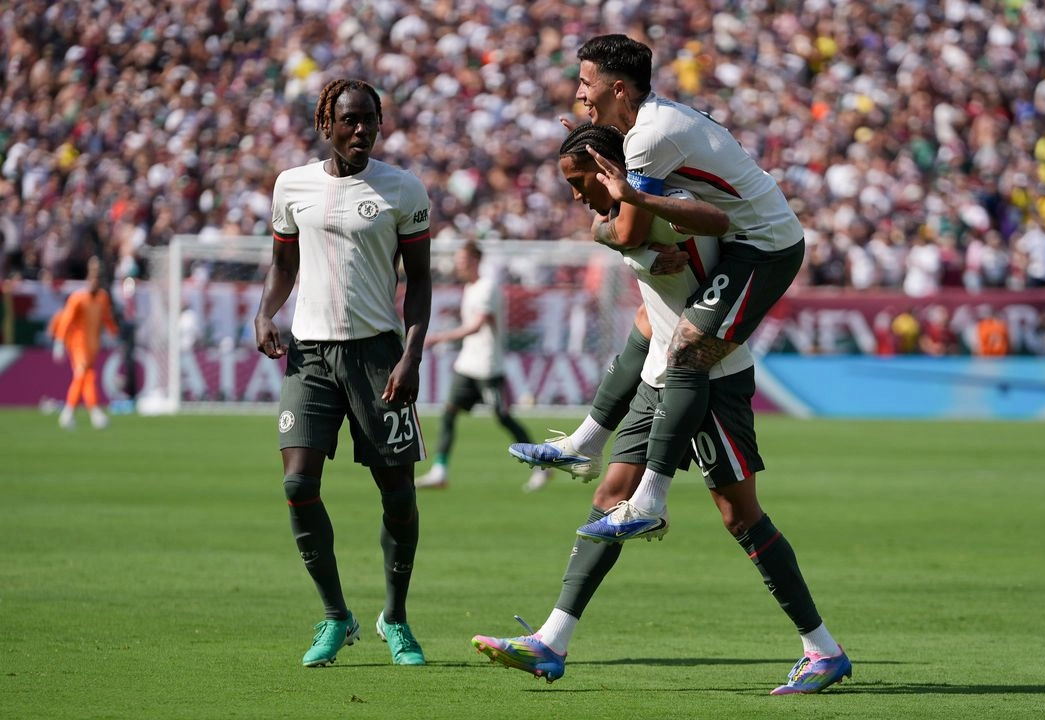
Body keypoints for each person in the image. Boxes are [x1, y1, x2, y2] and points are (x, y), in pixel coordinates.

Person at [475, 123, 850, 696]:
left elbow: (712, 223)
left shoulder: (664, 206)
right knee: (608, 499)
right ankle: (552, 640)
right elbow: (647, 314)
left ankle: (822, 649)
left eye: (581, 183)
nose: (577, 197)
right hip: (663, 376)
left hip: (711, 377)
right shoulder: (628, 221)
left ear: (609, 170)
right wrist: (620, 238)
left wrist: (631, 228)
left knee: (740, 515)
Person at [516, 35, 807, 546]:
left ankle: (648, 499)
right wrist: (592, 150)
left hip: (765, 245)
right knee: (653, 323)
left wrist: (600, 226)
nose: (580, 93)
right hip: (738, 239)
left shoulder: (649, 138)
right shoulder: (644, 125)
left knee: (688, 349)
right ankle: (587, 442)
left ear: (619, 88)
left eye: (587, 83)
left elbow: (624, 230)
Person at [253, 78, 432, 669]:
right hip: (310, 356)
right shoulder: (291, 186)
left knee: (399, 496)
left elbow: (421, 283)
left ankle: (396, 618)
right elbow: (283, 263)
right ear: (325, 125)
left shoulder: (402, 189)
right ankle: (336, 616)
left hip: (380, 356)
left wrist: (411, 355)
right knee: (298, 485)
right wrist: (265, 313)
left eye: (371, 120)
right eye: (350, 121)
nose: (362, 130)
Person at [416, 241, 551, 492]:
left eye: (463, 260)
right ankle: (440, 470)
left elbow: (477, 326)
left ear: (476, 260)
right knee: (449, 412)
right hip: (468, 362)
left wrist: (438, 337)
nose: (459, 265)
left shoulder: (488, 287)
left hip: (487, 365)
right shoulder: (472, 287)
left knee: (503, 418)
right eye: (458, 261)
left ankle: (542, 465)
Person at [48, 256, 119, 429]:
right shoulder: (78, 298)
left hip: (93, 345)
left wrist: (113, 333)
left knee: (88, 377)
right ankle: (72, 412)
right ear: (88, 279)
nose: (96, 282)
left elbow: (107, 318)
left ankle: (88, 413)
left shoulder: (102, 298)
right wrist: (59, 340)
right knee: (81, 375)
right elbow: (66, 319)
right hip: (78, 344)